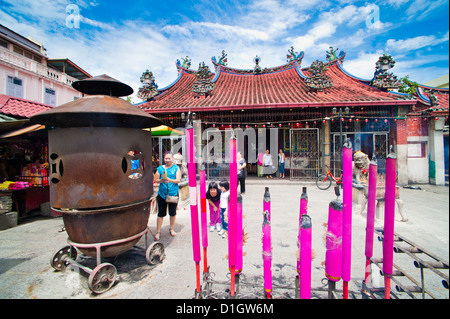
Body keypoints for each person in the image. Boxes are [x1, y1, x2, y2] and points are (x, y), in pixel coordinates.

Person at [154, 151, 181, 240]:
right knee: (160, 213)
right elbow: (155, 180)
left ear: (172, 159)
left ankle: (171, 229)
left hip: (173, 193)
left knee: (172, 212)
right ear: (164, 159)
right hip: (162, 194)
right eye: (166, 158)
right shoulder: (160, 168)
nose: (167, 160)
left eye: (169, 158)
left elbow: (178, 180)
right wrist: (161, 180)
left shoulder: (176, 168)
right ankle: (158, 232)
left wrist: (170, 180)